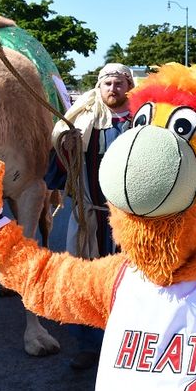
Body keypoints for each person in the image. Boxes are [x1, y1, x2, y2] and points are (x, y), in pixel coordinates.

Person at [46, 63, 135, 369]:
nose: (113, 88)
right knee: (89, 282)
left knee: (131, 284)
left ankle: (129, 347)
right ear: (99, 86)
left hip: (133, 222)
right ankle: (89, 346)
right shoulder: (83, 122)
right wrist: (67, 150)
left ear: (129, 86)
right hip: (91, 218)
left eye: (120, 83)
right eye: (108, 83)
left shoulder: (143, 120)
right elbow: (61, 169)